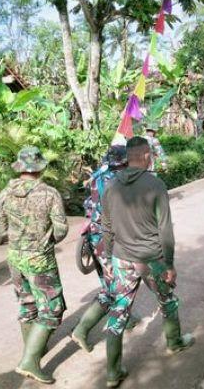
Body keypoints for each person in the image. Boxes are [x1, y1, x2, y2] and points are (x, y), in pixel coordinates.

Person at [101, 136, 194, 388]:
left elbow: (106, 226)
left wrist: (108, 257)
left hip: (121, 257)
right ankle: (174, 342)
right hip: (151, 258)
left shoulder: (110, 185)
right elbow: (165, 229)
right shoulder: (155, 184)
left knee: (119, 310)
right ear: (145, 156)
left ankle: (112, 372)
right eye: (150, 154)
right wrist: (170, 264)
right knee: (168, 300)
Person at [0, 146, 68, 384]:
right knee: (52, 309)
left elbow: (0, 230)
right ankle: (29, 361)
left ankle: (33, 349)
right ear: (40, 168)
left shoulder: (5, 193)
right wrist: (45, 240)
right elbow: (61, 229)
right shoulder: (49, 194)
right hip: (40, 260)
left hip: (15, 258)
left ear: (20, 167)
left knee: (27, 305)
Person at [72, 145, 138, 352]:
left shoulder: (98, 175)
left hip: (95, 236)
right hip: (112, 240)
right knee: (114, 287)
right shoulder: (122, 181)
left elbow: (89, 205)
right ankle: (81, 330)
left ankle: (126, 318)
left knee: (112, 280)